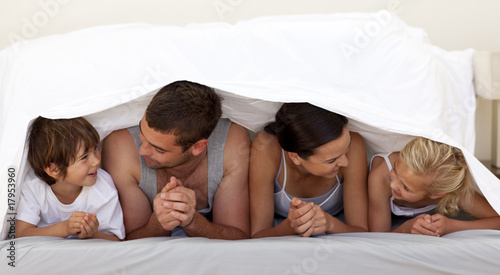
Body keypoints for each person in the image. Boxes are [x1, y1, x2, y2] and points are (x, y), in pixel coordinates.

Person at [101, 80, 250, 240]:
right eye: (142, 133)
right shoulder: (121, 148)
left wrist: (192, 221)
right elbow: (125, 241)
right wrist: (158, 224)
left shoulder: (231, 143)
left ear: (198, 147)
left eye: (158, 149)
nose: (142, 150)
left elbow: (239, 238)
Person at [250, 103, 368, 238]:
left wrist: (330, 224)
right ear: (295, 157)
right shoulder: (266, 150)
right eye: (331, 160)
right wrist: (291, 225)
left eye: (345, 150)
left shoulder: (354, 145)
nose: (345, 163)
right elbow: (257, 236)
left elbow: (362, 232)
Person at [16, 117, 125, 241]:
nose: (96, 161)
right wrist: (65, 228)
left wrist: (92, 234)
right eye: (84, 157)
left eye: (95, 149)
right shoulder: (34, 187)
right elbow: (21, 235)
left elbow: (118, 241)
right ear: (54, 170)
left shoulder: (103, 187)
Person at [368, 136, 500, 236]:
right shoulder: (381, 178)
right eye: (395, 171)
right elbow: (378, 238)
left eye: (406, 188)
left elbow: (497, 220)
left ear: (436, 194)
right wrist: (405, 229)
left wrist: (453, 226)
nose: (393, 184)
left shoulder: (450, 188)